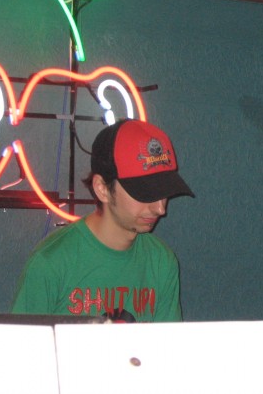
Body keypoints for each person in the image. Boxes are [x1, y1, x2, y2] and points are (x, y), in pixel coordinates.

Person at [11, 119, 194, 322]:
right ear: (102, 189)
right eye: (145, 193)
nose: (160, 208)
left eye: (164, 193)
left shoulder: (161, 261)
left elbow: (166, 343)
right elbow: (22, 342)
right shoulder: (50, 263)